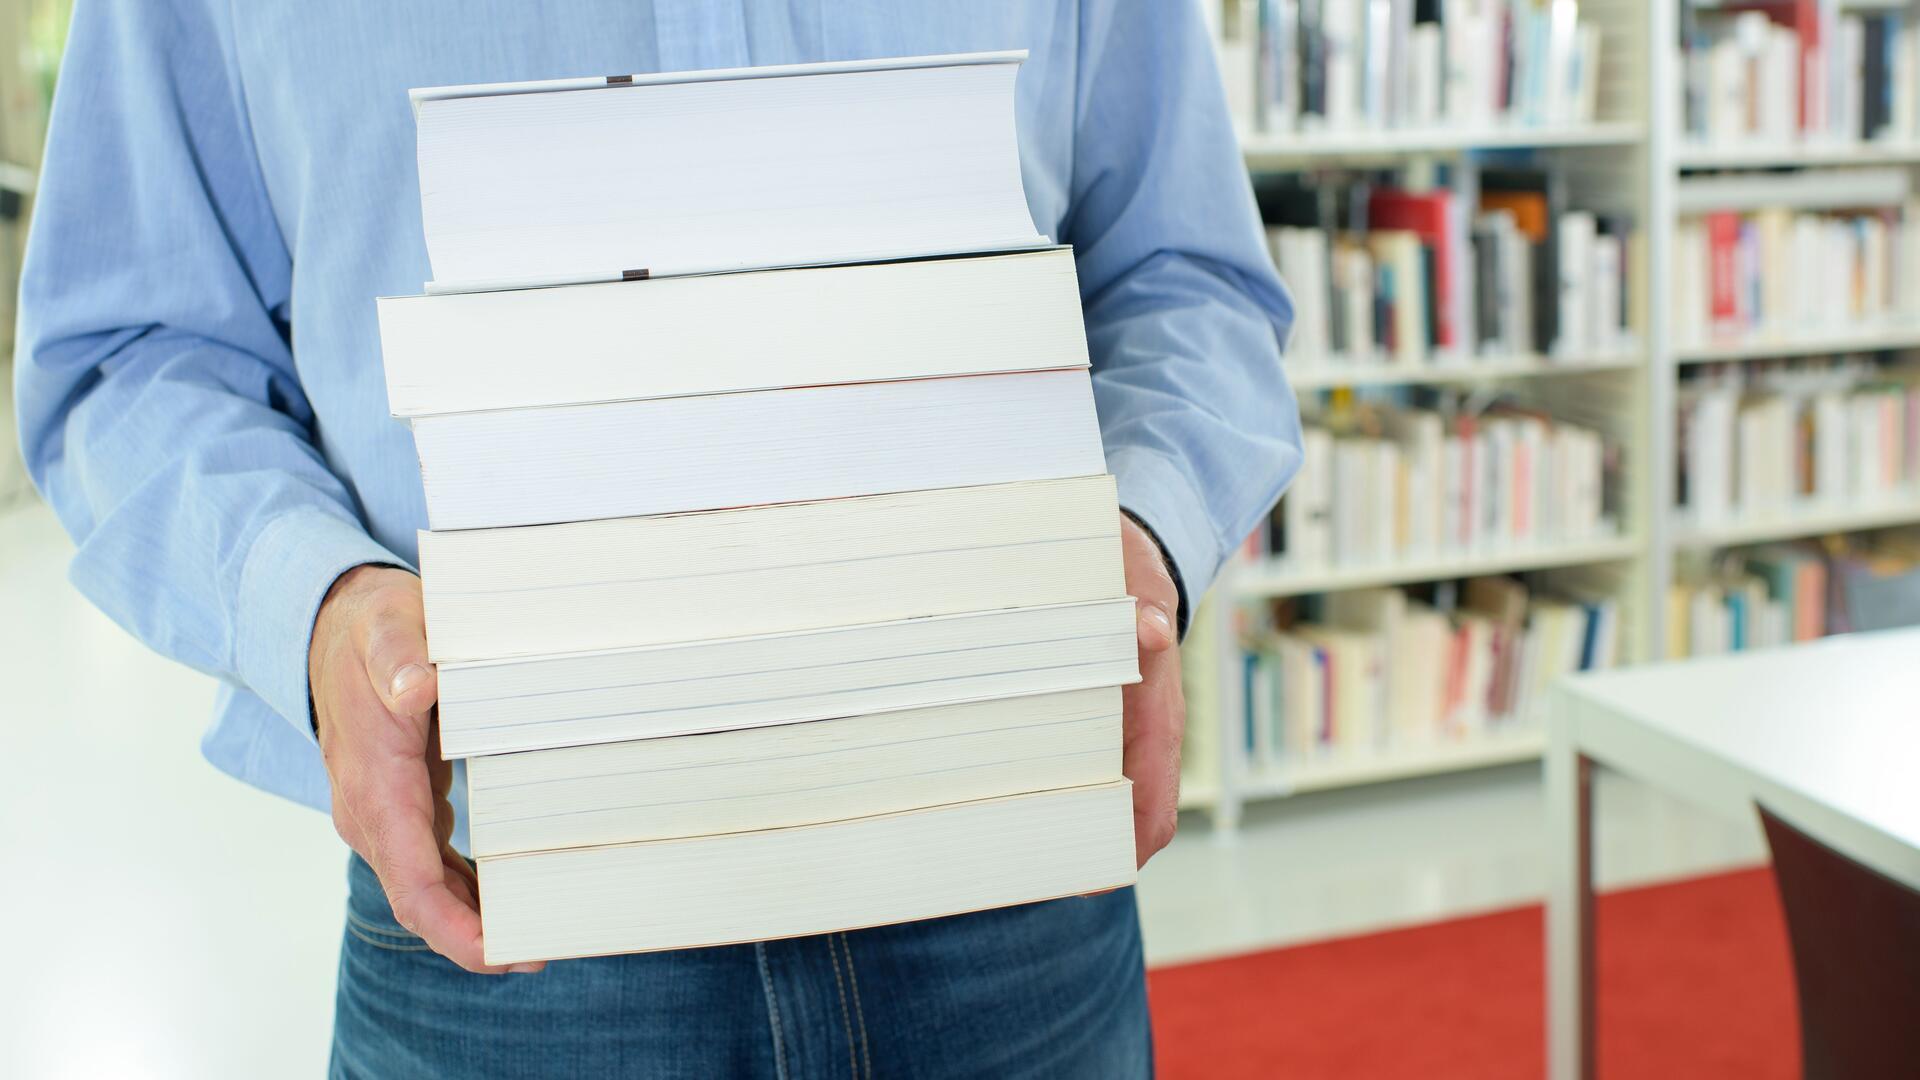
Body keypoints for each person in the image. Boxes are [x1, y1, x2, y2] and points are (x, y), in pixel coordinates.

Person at [15, 2, 1301, 1076]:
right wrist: (317, 604)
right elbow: (132, 351)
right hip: (508, 921)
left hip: (1008, 884)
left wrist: (1146, 529)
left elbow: (1183, 275)